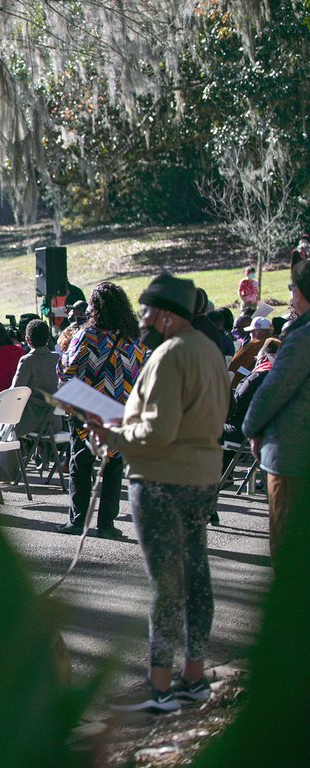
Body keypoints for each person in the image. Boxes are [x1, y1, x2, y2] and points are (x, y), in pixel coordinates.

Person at [88, 273, 228, 713]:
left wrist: (113, 437)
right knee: (197, 578)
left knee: (167, 587)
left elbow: (157, 433)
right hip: (203, 476)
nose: (141, 318)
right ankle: (194, 677)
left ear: (168, 315)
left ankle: (160, 688)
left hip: (162, 480)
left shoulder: (169, 356)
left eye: (146, 310)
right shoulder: (209, 349)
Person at [55, 281, 146, 538]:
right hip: (120, 410)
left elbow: (66, 368)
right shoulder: (135, 339)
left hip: (88, 409)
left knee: (81, 463)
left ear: (94, 307)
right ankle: (107, 524)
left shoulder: (87, 335)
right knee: (114, 465)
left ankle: (78, 520)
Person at [243, 260, 310, 562]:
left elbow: (272, 392)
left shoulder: (301, 338)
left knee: (288, 547)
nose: (292, 298)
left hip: (293, 454)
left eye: (294, 290)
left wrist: (250, 428)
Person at [10, 319, 60, 439]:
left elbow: (15, 391)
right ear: (48, 339)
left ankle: (14, 457)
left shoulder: (27, 360)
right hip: (55, 421)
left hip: (32, 421)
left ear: (27, 340)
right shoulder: (57, 358)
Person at [227, 316, 273, 388]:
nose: (250, 334)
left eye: (251, 331)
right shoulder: (275, 342)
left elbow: (235, 367)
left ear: (260, 333)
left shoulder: (254, 345)